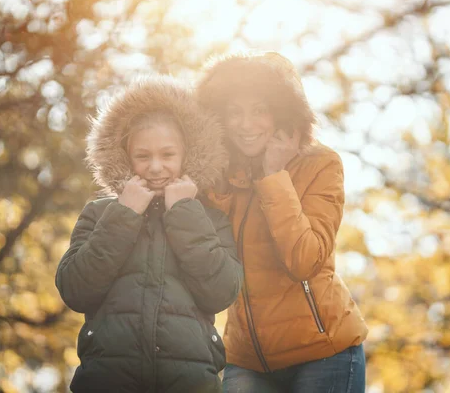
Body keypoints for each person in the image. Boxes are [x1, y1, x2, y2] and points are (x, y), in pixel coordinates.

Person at [55, 76, 243, 393]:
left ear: (187, 154)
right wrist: (125, 213)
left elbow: (222, 291)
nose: (155, 167)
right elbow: (75, 289)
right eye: (143, 156)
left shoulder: (208, 218)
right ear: (126, 157)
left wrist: (184, 211)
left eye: (168, 155)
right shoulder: (100, 213)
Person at [196, 51, 369, 393]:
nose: (246, 125)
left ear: (282, 113)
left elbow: (304, 260)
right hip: (246, 361)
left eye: (259, 110)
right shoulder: (217, 178)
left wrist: (273, 175)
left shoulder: (321, 165)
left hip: (324, 353)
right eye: (235, 113)